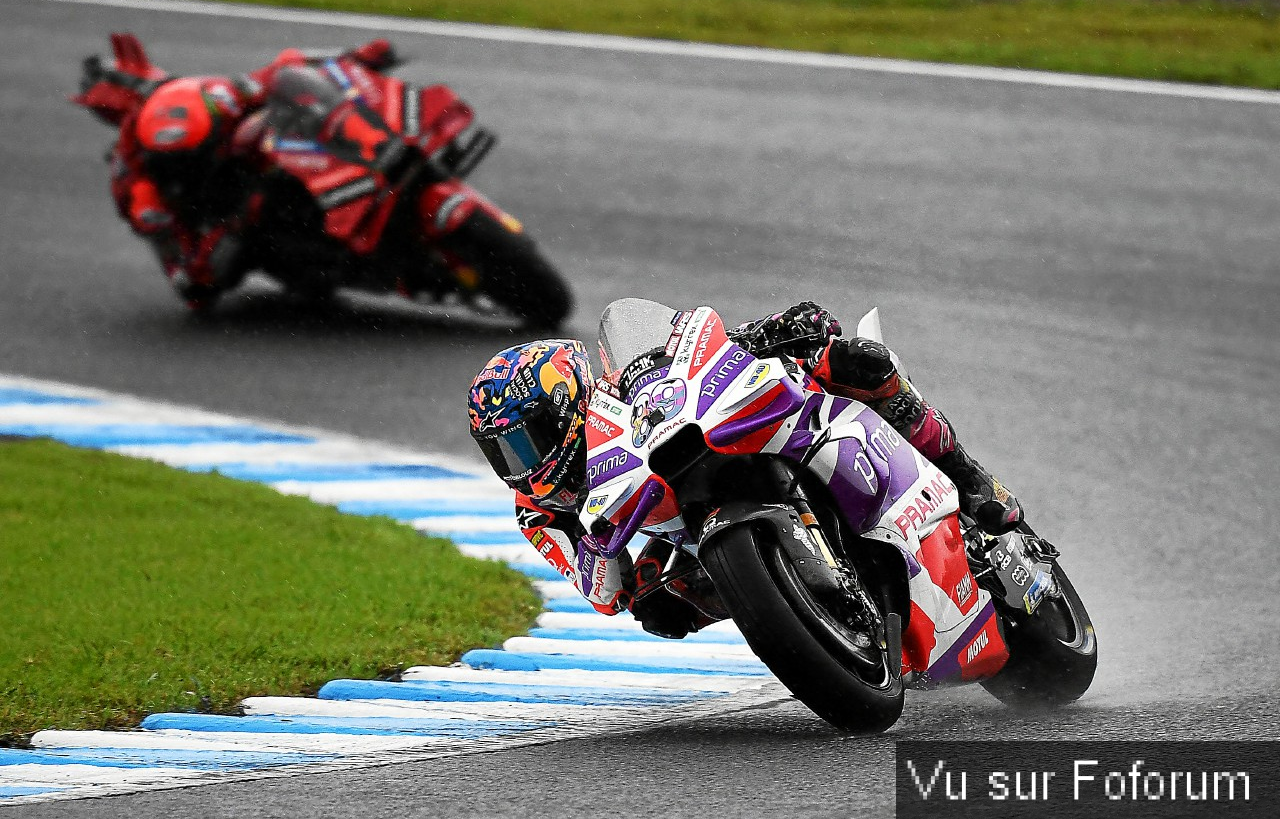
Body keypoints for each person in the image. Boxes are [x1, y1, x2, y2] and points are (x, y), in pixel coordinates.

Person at [467, 302, 1023, 639]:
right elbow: (604, 592)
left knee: (855, 361)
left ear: (566, 398)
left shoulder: (615, 391)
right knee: (660, 612)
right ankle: (803, 618)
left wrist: (763, 337)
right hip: (678, 535)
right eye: (504, 452)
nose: (522, 462)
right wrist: (611, 553)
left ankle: (966, 473)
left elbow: (685, 357)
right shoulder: (538, 508)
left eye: (526, 439)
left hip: (716, 437)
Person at [73, 34, 398, 310]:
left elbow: (283, 67)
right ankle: (313, 265)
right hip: (216, 219)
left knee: (292, 117)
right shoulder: (133, 172)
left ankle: (364, 161)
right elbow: (169, 246)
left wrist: (355, 58)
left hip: (248, 170)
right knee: (199, 283)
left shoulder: (216, 97)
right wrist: (176, 233)